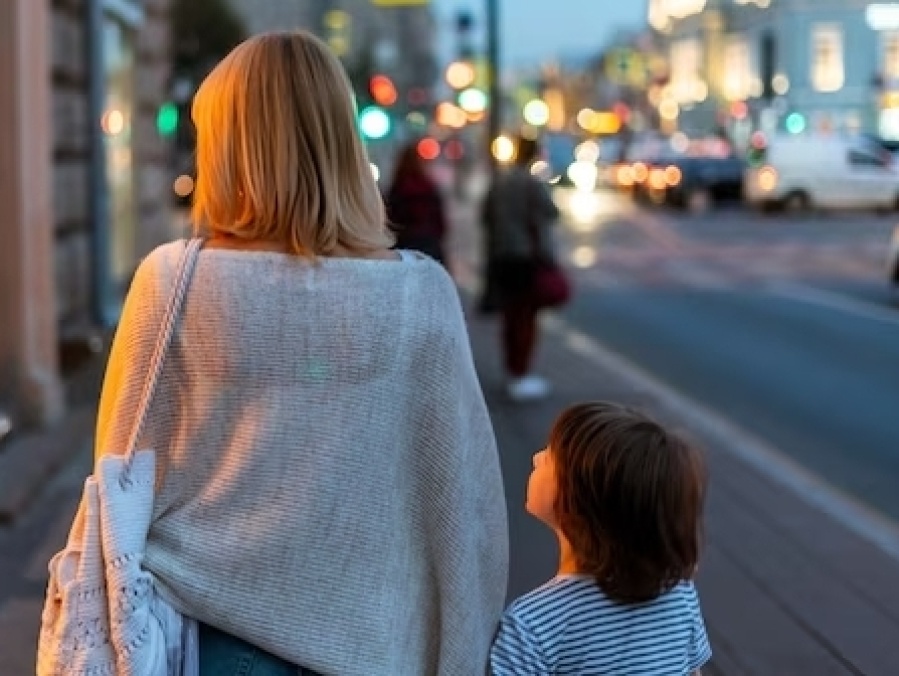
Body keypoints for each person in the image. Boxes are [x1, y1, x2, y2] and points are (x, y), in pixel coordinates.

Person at [93, 31, 508, 675]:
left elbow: (120, 481)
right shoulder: (420, 292)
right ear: (342, 139)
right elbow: (463, 512)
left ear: (228, 150)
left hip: (205, 649)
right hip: (378, 647)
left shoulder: (172, 282)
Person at [490, 401, 712, 675]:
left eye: (549, 457)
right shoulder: (678, 594)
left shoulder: (534, 625)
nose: (536, 457)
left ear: (577, 502)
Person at [481, 135, 560, 402]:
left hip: (502, 256)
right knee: (525, 318)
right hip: (526, 258)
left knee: (510, 316)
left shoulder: (500, 181)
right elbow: (551, 213)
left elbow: (486, 216)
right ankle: (520, 373)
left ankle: (511, 371)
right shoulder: (530, 183)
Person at [386, 141, 449, 266]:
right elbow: (440, 221)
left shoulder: (398, 189)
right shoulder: (428, 187)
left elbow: (391, 221)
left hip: (405, 246)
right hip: (429, 244)